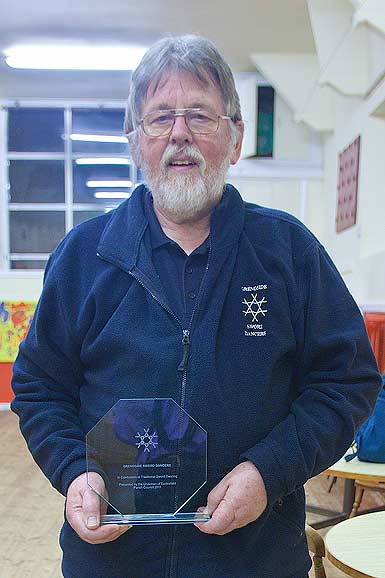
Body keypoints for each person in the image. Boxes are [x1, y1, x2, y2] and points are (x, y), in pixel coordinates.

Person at [11, 35, 382, 578]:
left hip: (253, 558)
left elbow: (347, 382)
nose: (179, 133)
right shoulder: (82, 258)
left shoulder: (290, 253)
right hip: (114, 559)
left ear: (235, 139)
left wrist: (267, 473)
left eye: (200, 116)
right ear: (136, 141)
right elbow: (40, 386)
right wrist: (73, 473)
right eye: (160, 117)